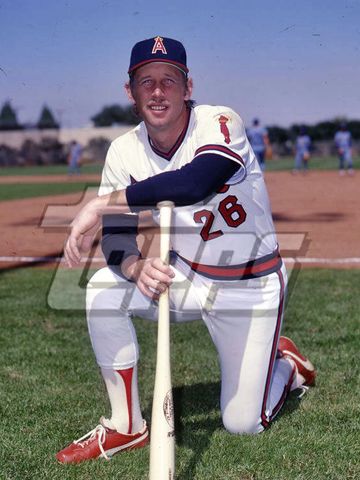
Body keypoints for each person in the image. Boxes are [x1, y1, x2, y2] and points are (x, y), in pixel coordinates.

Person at [56, 36, 316, 464]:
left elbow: (194, 182)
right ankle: (126, 426)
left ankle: (284, 364)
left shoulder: (219, 122)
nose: (158, 92)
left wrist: (101, 202)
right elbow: (117, 235)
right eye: (146, 82)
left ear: (187, 86)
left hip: (249, 288)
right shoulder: (123, 150)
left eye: (169, 80)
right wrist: (136, 266)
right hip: (189, 276)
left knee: (242, 423)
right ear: (131, 92)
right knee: (102, 289)